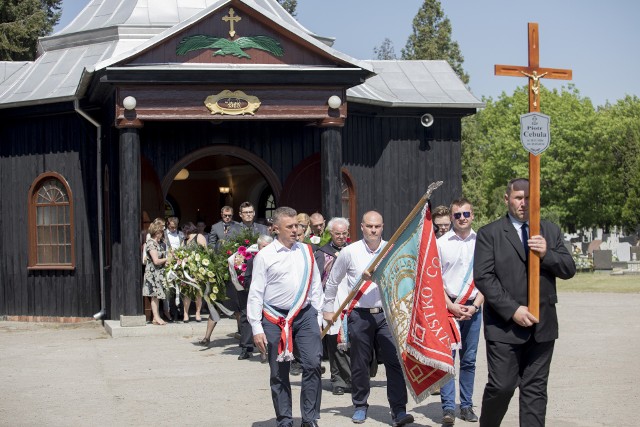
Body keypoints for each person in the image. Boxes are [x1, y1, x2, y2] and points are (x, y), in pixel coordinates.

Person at [474, 178, 576, 427]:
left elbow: (568, 269)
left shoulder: (549, 231)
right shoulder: (491, 233)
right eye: (519, 197)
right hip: (504, 327)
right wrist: (513, 310)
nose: (524, 203)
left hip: (542, 326)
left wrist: (547, 254)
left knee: (535, 391)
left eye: (529, 198)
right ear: (506, 199)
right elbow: (484, 278)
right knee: (502, 386)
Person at [323, 211, 414, 426]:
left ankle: (399, 410)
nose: (373, 230)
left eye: (378, 227)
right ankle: (360, 405)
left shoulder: (390, 250)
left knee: (394, 362)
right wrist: (328, 310)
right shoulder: (349, 252)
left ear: (382, 227)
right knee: (360, 363)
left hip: (387, 315)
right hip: (359, 314)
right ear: (362, 227)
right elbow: (333, 282)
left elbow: (403, 280)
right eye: (369, 226)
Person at [247, 207, 323, 427]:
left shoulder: (307, 251)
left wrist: (317, 317)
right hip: (274, 319)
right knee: (279, 372)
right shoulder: (264, 256)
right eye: (289, 227)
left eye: (297, 226)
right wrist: (256, 327)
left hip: (305, 315)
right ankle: (285, 419)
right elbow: (256, 293)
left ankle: (309, 419)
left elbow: (316, 285)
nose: (295, 230)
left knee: (312, 364)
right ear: (275, 229)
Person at [438, 198, 484, 424]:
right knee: (448, 360)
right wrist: (451, 306)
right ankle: (448, 408)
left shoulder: (483, 242)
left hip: (474, 307)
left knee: (469, 360)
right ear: (452, 217)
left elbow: (488, 278)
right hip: (449, 307)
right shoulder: (441, 243)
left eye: (466, 214)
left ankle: (466, 406)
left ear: (472, 215)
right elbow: (434, 281)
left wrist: (475, 306)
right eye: (457, 215)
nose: (462, 218)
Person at [316, 217, 351, 396]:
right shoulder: (322, 253)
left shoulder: (353, 250)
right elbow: (318, 279)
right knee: (334, 341)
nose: (341, 237)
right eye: (338, 233)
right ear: (331, 234)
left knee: (351, 342)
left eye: (344, 233)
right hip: (331, 300)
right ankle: (337, 380)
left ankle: (352, 378)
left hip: (352, 300)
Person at [237, 234, 273, 361]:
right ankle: (246, 348)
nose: (266, 249)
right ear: (258, 247)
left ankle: (266, 351)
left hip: (271, 298)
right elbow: (246, 279)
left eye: (268, 246)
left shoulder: (276, 260)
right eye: (263, 246)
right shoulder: (253, 260)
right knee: (247, 318)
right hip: (256, 295)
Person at [143, 222, 170, 325]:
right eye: (161, 231)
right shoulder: (151, 243)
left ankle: (156, 317)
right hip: (153, 273)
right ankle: (156, 317)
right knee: (155, 296)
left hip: (158, 273)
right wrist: (167, 259)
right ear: (156, 232)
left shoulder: (157, 242)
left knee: (157, 296)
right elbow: (156, 261)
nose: (162, 233)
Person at [181, 222, 206, 323]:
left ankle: (197, 312)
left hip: (197, 268)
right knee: (186, 292)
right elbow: (180, 251)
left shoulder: (199, 236)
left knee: (198, 292)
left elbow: (205, 251)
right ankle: (185, 313)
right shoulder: (185, 240)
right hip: (187, 269)